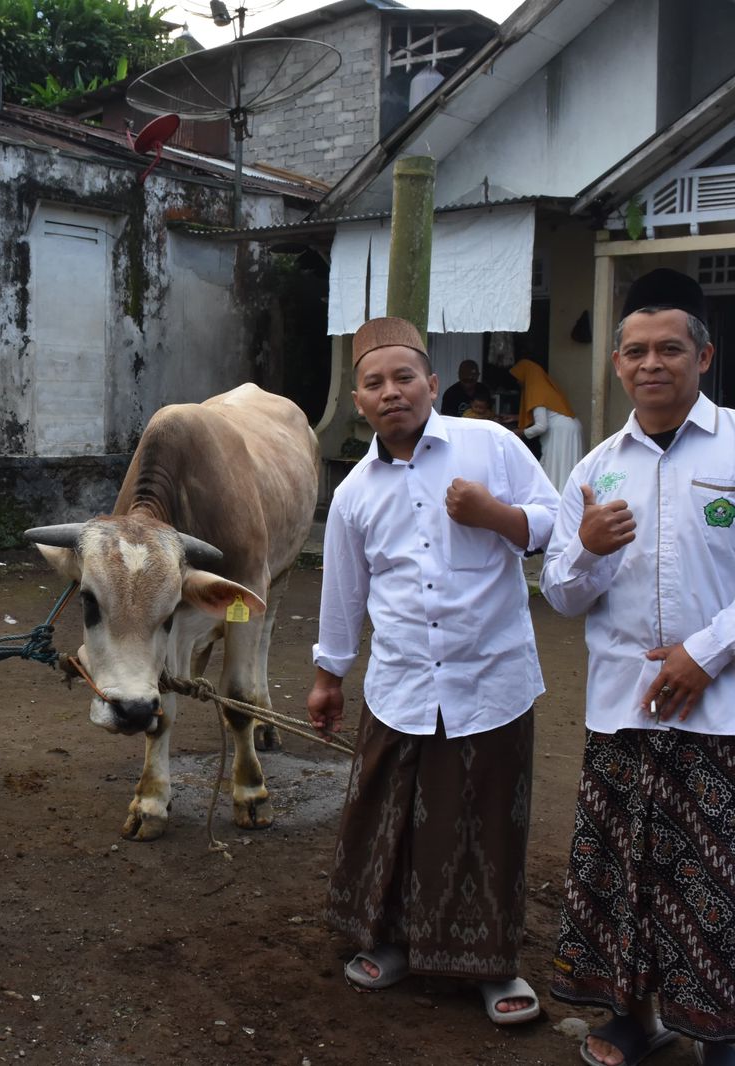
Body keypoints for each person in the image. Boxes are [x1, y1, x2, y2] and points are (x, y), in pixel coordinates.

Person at [540, 268, 735, 1066]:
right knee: (625, 876)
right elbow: (560, 593)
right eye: (635, 351)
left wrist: (706, 654)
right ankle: (630, 1017)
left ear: (704, 355)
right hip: (623, 713)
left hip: (725, 712)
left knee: (716, 881)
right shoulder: (595, 468)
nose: (650, 363)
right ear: (617, 365)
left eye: (669, 348)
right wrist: (587, 551)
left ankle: (715, 1034)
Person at [307, 316, 559, 1029]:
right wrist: (330, 676)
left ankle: (493, 965)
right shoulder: (356, 492)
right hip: (402, 683)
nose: (392, 392)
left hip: (493, 681)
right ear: (358, 400)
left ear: (432, 383)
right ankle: (389, 943)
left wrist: (496, 514)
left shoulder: (492, 446)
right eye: (374, 382)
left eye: (404, 377)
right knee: (389, 818)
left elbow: (555, 522)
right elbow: (344, 592)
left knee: (487, 822)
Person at [510, 358, 585, 492]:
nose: (517, 381)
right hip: (569, 428)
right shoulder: (544, 388)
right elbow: (550, 413)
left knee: (554, 469)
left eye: (518, 377)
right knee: (565, 469)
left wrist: (521, 432)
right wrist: (515, 417)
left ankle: (556, 501)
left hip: (560, 433)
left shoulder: (536, 392)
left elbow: (541, 426)